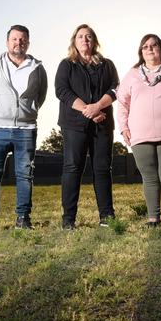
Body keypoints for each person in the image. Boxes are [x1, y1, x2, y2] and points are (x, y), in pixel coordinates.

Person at [0, 24, 48, 233]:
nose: (19, 43)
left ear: (28, 42)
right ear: (8, 42)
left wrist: (28, 111)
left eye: (23, 39)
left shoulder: (37, 68)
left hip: (25, 129)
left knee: (25, 175)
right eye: (14, 39)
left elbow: (40, 95)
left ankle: (23, 218)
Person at [117, 34, 161, 230]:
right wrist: (124, 128)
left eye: (154, 45)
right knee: (149, 176)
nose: (149, 49)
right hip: (140, 134)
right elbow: (122, 103)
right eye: (145, 46)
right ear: (141, 52)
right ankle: (152, 218)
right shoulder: (132, 75)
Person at [55, 24, 119, 230]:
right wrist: (87, 110)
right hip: (74, 125)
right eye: (81, 36)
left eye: (89, 36)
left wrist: (98, 107)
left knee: (102, 169)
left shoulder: (107, 65)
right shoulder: (66, 65)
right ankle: (68, 219)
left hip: (102, 123)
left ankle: (107, 217)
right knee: (72, 168)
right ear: (74, 41)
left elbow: (116, 88)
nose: (85, 40)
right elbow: (62, 91)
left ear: (95, 41)